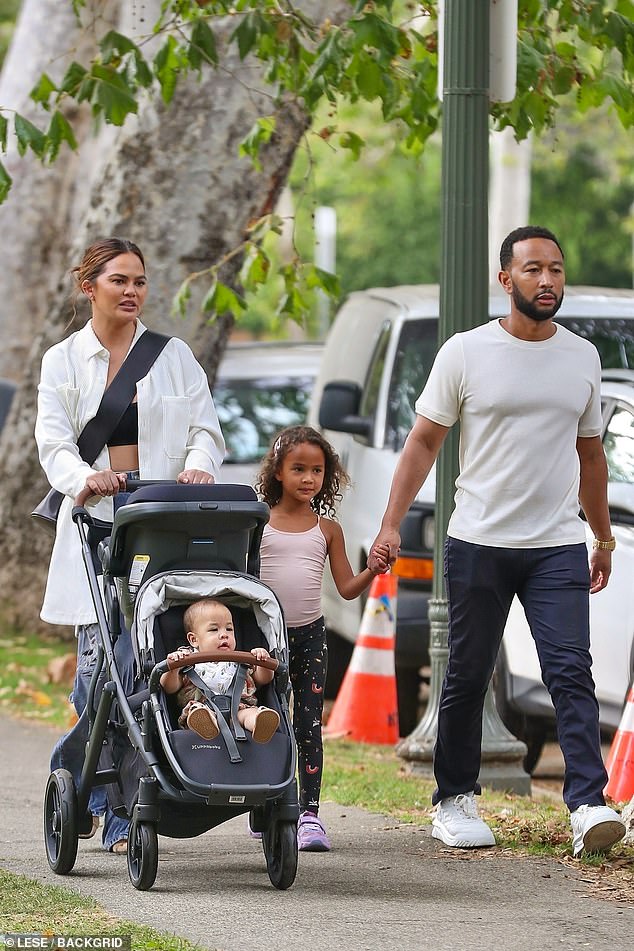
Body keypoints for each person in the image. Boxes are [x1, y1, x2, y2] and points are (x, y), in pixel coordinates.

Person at [371, 225, 626, 858]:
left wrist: (600, 536)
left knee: (571, 670)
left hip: (557, 543)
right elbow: (424, 442)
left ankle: (587, 804)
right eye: (535, 269)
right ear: (505, 279)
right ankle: (454, 798)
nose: (548, 280)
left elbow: (591, 458)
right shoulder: (465, 352)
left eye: (558, 270)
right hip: (480, 539)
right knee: (467, 672)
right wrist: (389, 523)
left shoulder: (583, 357)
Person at [35, 237, 225, 853]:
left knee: (137, 665)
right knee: (98, 671)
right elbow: (54, 444)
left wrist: (197, 465)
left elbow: (205, 428)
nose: (132, 290)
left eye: (139, 280)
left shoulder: (172, 357)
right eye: (119, 280)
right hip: (95, 528)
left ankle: (116, 807)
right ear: (88, 286)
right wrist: (81, 479)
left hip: (157, 528)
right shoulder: (62, 361)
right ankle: (92, 792)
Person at [256, 425, 390, 851]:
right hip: (265, 640)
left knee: (309, 724)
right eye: (298, 469)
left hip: (312, 637)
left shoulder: (327, 529)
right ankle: (266, 805)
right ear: (277, 471)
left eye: (316, 470)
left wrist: (373, 568)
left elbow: (348, 588)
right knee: (265, 721)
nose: (308, 479)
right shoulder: (257, 523)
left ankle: (309, 816)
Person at [160, 598, 280, 743]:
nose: (224, 634)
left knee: (250, 713)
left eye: (229, 629)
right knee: (197, 711)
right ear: (194, 639)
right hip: (202, 706)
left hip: (239, 708)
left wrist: (263, 661)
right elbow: (169, 687)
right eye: (214, 629)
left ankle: (259, 724)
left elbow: (264, 679)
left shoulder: (241, 660)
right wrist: (172, 667)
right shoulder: (187, 659)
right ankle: (205, 724)